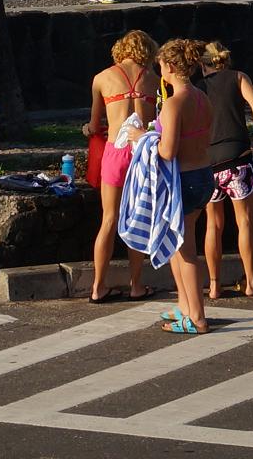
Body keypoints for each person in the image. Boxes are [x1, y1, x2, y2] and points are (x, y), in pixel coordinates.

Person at [197, 41, 253, 302]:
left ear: (202, 64)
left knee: (213, 225)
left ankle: (214, 285)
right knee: (245, 222)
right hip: (237, 158)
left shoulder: (199, 87)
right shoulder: (238, 77)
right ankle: (251, 281)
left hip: (209, 163)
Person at [87, 30, 158, 302]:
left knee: (109, 219)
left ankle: (98, 287)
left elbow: (95, 125)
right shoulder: (154, 79)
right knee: (138, 220)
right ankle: (136, 285)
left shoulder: (101, 78)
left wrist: (88, 129)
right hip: (141, 153)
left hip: (114, 153)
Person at [150, 38, 215, 334]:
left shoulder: (174, 103)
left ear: (171, 66)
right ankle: (186, 307)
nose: (160, 71)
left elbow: (167, 152)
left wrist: (142, 139)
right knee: (179, 246)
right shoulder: (202, 97)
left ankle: (197, 317)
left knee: (185, 251)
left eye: (161, 66)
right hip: (204, 174)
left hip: (184, 180)